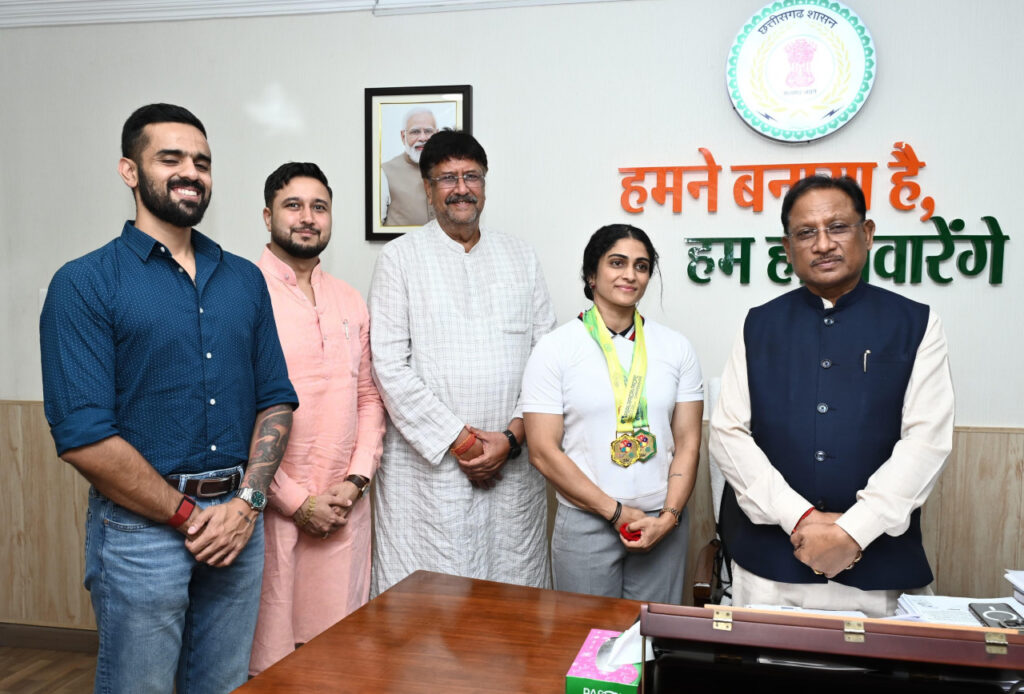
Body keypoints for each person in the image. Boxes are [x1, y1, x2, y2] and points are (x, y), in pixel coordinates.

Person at [39, 103, 297, 693]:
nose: (191, 172)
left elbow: (276, 400)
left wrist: (247, 504)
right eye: (171, 158)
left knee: (224, 684)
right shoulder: (85, 283)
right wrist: (188, 516)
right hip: (141, 535)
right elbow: (83, 437)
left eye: (202, 162)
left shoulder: (243, 279)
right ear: (129, 171)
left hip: (238, 523)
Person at [709, 175, 954, 617]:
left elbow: (926, 441)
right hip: (770, 568)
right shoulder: (758, 324)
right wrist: (799, 518)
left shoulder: (915, 323)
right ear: (788, 249)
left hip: (878, 568)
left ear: (868, 233)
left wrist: (853, 531)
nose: (823, 244)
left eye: (837, 227)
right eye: (806, 233)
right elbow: (728, 434)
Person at [368, 129, 556, 595]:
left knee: (512, 595)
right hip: (428, 475)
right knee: (428, 604)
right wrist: (463, 442)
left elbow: (547, 361)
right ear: (428, 189)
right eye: (447, 178)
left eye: (471, 176)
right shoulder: (399, 259)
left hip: (512, 466)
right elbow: (388, 365)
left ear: (484, 184)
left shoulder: (521, 257)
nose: (461, 188)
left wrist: (511, 439)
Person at [250, 162, 386, 674]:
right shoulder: (242, 293)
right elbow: (235, 412)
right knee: (267, 661)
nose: (308, 217)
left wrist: (355, 482)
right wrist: (295, 501)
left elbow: (369, 398)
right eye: (293, 205)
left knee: (337, 658)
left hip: (344, 510)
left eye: (319, 207)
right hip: (269, 510)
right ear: (268, 217)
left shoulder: (348, 299)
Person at [521, 224, 704, 603]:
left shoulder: (676, 347)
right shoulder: (555, 348)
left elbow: (688, 442)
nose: (630, 274)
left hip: (661, 522)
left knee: (652, 634)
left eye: (641, 266)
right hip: (586, 522)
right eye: (617, 263)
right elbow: (542, 451)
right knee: (588, 636)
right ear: (591, 274)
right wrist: (616, 512)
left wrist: (669, 517)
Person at [381, 107, 437, 226]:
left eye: (428, 131)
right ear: (403, 136)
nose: (422, 138)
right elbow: (375, 227)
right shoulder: (384, 172)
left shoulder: (449, 167)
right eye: (415, 132)